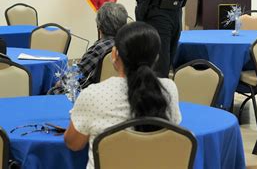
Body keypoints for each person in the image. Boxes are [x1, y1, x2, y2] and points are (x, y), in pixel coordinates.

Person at [64, 22, 181, 169]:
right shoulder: (168, 89)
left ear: (115, 54)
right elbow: (173, 130)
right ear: (156, 57)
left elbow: (73, 144)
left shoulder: (93, 94)